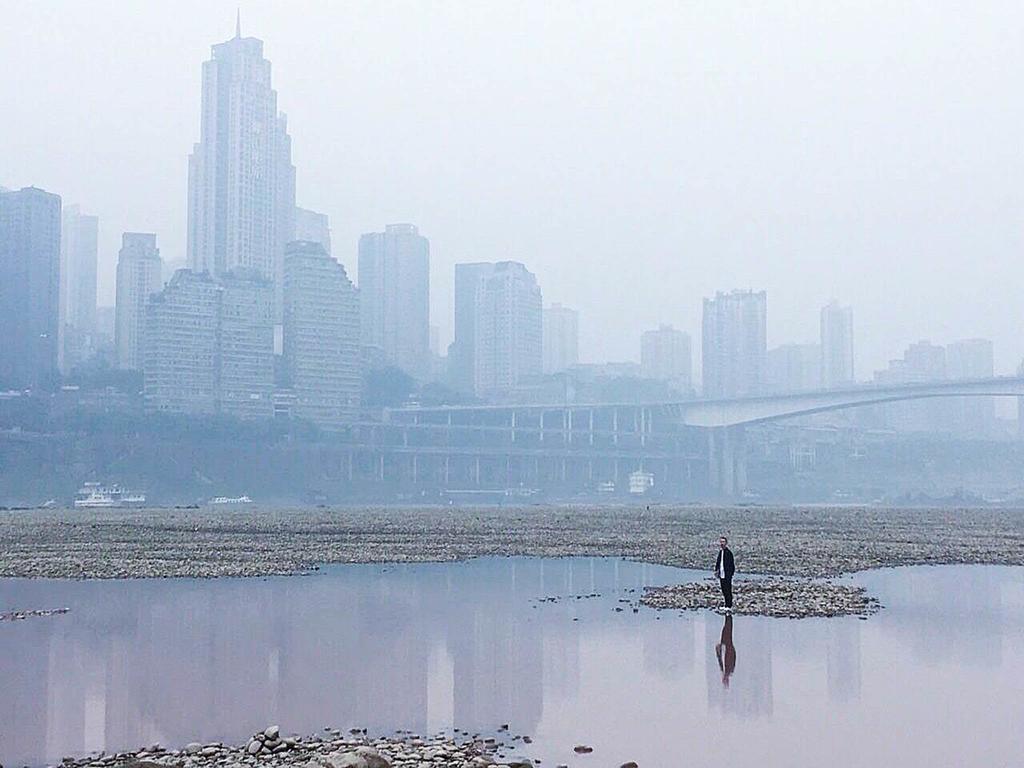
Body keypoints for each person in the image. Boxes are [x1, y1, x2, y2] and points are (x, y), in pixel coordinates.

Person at [714, 535, 735, 612]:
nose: (722, 543)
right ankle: (726, 604)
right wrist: (716, 570)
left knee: (728, 590)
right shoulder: (721, 552)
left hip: (727, 575)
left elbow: (732, 565)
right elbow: (718, 562)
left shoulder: (729, 553)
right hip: (721, 574)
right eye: (721, 542)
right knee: (723, 589)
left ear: (726, 543)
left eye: (723, 542)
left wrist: (730, 574)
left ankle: (729, 605)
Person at [715, 614, 736, 687]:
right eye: (725, 680)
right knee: (726, 631)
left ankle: (728, 616)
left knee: (726, 631)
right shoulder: (728, 670)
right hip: (727, 647)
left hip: (727, 648)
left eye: (724, 680)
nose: (724, 679)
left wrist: (718, 651)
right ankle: (728, 617)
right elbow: (721, 659)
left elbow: (720, 659)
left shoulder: (726, 670)